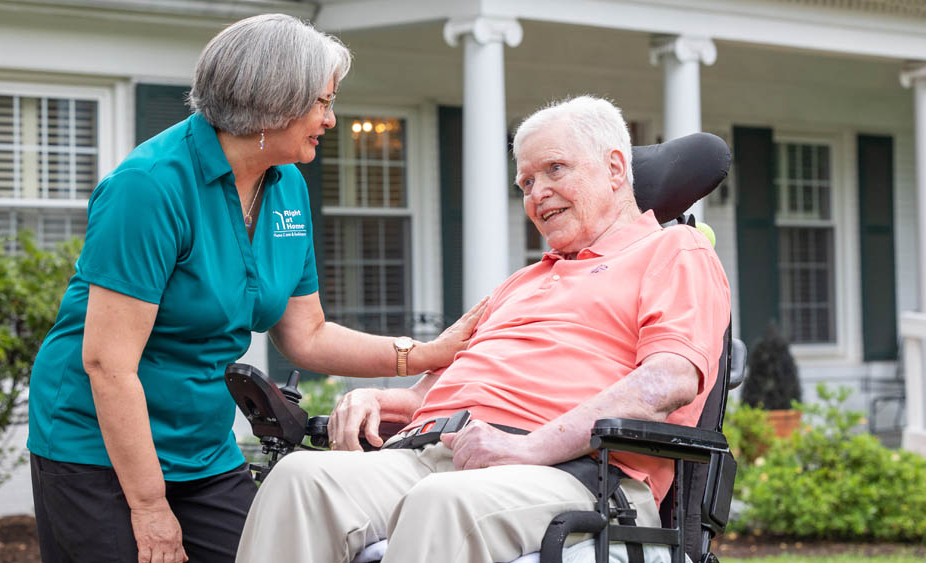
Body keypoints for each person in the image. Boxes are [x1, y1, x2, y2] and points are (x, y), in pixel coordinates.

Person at [27, 14, 485, 563]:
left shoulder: (286, 184)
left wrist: (427, 354)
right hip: (96, 449)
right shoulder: (148, 188)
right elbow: (108, 364)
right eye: (322, 102)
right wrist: (149, 507)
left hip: (202, 447)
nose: (331, 119)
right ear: (273, 102)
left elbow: (307, 335)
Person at [235, 95, 731, 563]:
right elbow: (434, 394)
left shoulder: (674, 252)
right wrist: (378, 400)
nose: (538, 194)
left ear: (615, 168)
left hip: (580, 474)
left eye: (554, 169)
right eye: (526, 183)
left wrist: (527, 448)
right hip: (440, 453)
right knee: (300, 479)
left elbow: (668, 380)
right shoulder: (521, 282)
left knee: (441, 501)